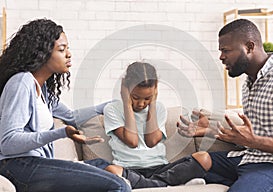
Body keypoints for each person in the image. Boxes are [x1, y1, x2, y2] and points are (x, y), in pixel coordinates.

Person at [0, 18, 130, 192]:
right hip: (19, 167)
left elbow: (70, 117)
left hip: (34, 165)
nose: (69, 54)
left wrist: (111, 105)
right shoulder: (21, 83)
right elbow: (8, 142)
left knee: (104, 166)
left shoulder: (43, 88)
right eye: (62, 49)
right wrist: (61, 133)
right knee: (118, 186)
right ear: (42, 53)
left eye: (67, 48)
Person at [177, 18, 273, 192]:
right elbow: (250, 135)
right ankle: (132, 179)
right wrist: (210, 132)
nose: (221, 57)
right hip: (250, 158)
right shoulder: (248, 83)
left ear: (249, 47)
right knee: (196, 161)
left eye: (225, 50)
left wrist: (255, 141)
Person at [103, 62, 210, 189]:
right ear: (125, 88)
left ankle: (148, 184)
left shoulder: (159, 108)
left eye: (147, 98)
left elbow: (151, 141)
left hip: (160, 168)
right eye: (135, 97)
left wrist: (153, 103)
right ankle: (168, 185)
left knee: (204, 158)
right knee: (112, 170)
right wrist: (127, 104)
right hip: (129, 169)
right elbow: (132, 141)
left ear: (155, 90)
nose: (141, 104)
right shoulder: (112, 109)